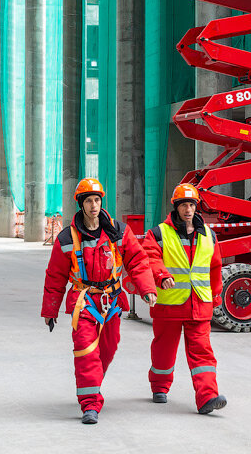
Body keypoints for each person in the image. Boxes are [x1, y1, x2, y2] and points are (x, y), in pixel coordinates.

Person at [41, 177, 158, 424]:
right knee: (85, 351)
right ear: (81, 204)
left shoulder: (118, 231)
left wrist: (147, 289)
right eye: (89, 201)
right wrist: (50, 310)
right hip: (84, 302)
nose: (94, 205)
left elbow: (137, 261)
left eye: (97, 200)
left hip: (112, 300)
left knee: (108, 347)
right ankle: (90, 404)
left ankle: (92, 382)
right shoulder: (66, 238)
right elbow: (55, 276)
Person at [142, 183, 227, 415]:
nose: (188, 209)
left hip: (199, 304)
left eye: (191, 205)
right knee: (164, 350)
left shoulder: (209, 235)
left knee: (203, 351)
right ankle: (159, 386)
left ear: (196, 207)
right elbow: (150, 257)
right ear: (176, 207)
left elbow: (215, 268)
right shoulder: (159, 233)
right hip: (169, 304)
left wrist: (216, 297)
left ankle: (207, 397)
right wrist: (161, 275)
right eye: (184, 205)